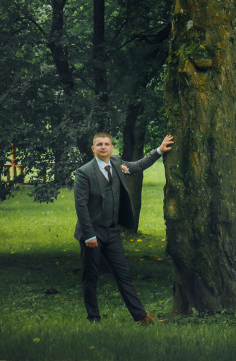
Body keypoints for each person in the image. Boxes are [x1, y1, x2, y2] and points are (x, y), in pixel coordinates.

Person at [74, 130, 174, 325]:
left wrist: (159, 151)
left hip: (112, 232)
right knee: (90, 276)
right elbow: (81, 206)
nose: (103, 147)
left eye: (107, 144)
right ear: (93, 149)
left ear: (111, 148)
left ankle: (141, 317)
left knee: (124, 274)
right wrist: (89, 236)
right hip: (92, 234)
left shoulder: (118, 164)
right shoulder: (84, 172)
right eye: (100, 144)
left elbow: (138, 166)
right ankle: (93, 317)